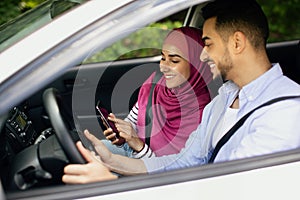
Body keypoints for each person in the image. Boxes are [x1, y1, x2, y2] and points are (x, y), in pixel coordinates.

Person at [62, 0, 300, 184]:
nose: (203, 55)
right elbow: (184, 162)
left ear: (237, 43)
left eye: (208, 44)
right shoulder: (222, 100)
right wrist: (113, 161)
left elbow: (227, 192)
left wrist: (111, 187)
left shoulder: (284, 113)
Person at [101, 27, 212, 158]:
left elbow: (172, 171)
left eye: (174, 60)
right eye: (163, 58)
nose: (163, 67)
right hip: (133, 152)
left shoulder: (204, 112)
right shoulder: (156, 83)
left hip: (150, 170)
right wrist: (121, 135)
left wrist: (138, 146)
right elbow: (133, 121)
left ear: (196, 63)